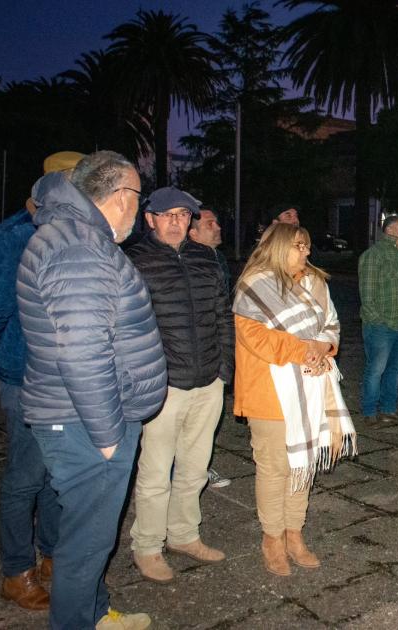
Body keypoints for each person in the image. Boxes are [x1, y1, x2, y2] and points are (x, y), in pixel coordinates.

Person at [17, 151, 166, 629]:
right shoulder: (79, 248)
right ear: (121, 194)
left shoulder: (73, 236)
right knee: (85, 544)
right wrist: (107, 436)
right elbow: (83, 350)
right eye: (137, 196)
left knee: (89, 536)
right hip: (88, 423)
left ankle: (96, 614)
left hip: (82, 415)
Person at [0, 151, 84, 611]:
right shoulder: (12, 236)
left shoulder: (80, 234)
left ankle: (53, 557)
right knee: (24, 478)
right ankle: (15, 570)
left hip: (70, 380)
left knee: (57, 476)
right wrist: (7, 366)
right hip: (25, 378)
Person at [232, 223, 356, 575]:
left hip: (312, 385)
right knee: (275, 468)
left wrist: (322, 347)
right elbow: (255, 338)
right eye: (300, 246)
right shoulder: (254, 285)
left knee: (303, 463)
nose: (307, 253)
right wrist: (305, 350)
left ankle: (294, 532)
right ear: (280, 246)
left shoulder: (315, 281)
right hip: (270, 392)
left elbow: (331, 324)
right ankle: (272, 538)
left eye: (308, 246)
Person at [126, 187, 234, 584]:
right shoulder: (134, 261)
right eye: (167, 214)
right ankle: (148, 545)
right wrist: (147, 379)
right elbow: (126, 329)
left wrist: (225, 369)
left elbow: (223, 314)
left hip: (208, 380)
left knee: (194, 468)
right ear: (150, 219)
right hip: (163, 386)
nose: (176, 221)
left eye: (183, 215)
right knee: (155, 472)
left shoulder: (206, 259)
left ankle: (185, 534)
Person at [357, 214, 398, 422]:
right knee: (376, 369)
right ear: (390, 231)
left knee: (396, 368)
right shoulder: (374, 255)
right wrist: (378, 320)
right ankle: (369, 411)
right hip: (381, 325)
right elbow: (367, 294)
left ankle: (389, 408)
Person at [188, 207, 233, 489]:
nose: (217, 227)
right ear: (193, 233)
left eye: (217, 221)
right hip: (191, 356)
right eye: (210, 223)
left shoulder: (218, 259)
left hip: (215, 353)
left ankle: (201, 468)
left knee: (207, 422)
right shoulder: (188, 262)